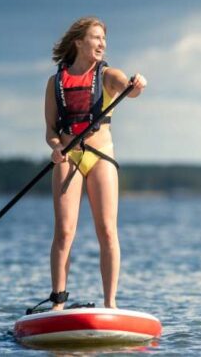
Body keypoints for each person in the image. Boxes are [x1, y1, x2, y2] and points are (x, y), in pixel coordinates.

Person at [40, 16, 146, 311]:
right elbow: (50, 130)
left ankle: (110, 304)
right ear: (79, 42)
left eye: (104, 39)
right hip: (68, 157)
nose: (102, 44)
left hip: (100, 157)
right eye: (96, 38)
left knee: (108, 231)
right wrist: (56, 147)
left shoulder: (108, 75)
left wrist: (137, 84)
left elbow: (129, 88)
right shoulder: (55, 82)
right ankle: (57, 304)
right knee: (63, 232)